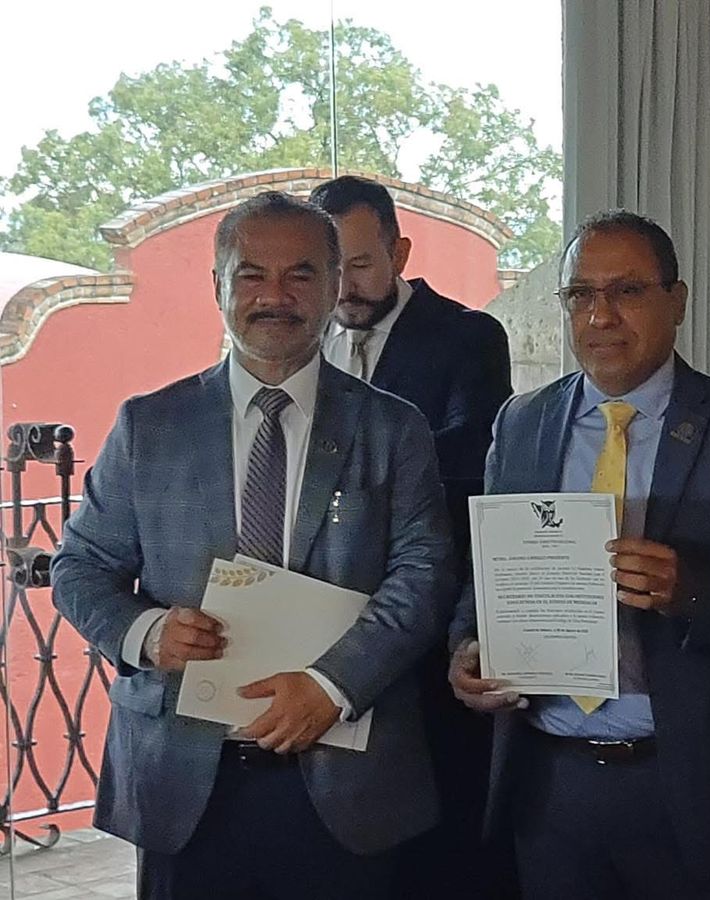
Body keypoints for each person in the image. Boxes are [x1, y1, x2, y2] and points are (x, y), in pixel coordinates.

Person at [51, 191, 454, 899]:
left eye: (300, 274)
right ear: (218, 285)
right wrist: (147, 633)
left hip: (348, 782)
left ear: (334, 285)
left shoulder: (394, 429)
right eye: (251, 275)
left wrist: (332, 687)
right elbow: (79, 568)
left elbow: (424, 577)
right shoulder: (150, 426)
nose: (275, 295)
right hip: (184, 783)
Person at [447, 209, 710, 899]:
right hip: (550, 780)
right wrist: (466, 648)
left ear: (677, 301)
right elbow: (482, 577)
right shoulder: (521, 423)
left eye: (627, 291)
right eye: (581, 294)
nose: (601, 315)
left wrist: (690, 590)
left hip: (686, 783)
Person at [310, 173, 515, 899]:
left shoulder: (466, 337)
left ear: (399, 253)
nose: (344, 287)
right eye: (329, 268)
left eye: (361, 264)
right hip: (324, 630)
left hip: (431, 627)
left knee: (442, 844)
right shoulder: (303, 340)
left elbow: (465, 468)